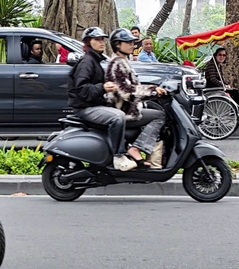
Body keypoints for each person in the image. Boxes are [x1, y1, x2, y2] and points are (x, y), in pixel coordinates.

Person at [67, 27, 133, 172]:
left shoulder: (95, 61)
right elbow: (82, 90)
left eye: (102, 39)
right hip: (85, 108)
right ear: (88, 42)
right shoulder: (87, 62)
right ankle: (119, 157)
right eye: (97, 39)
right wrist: (102, 87)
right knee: (118, 117)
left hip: (93, 105)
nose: (101, 42)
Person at [105, 28, 167, 169]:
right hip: (124, 111)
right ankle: (136, 148)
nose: (132, 45)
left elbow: (134, 85)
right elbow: (126, 91)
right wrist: (151, 91)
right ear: (117, 45)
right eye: (127, 42)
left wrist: (154, 87)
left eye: (132, 42)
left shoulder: (123, 61)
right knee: (159, 116)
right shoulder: (116, 63)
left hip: (129, 108)